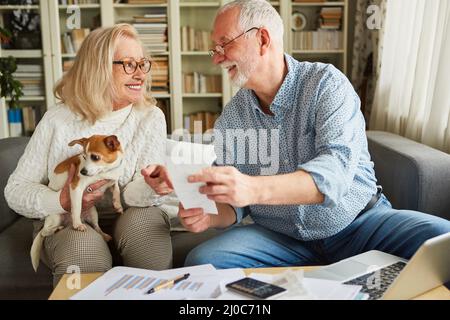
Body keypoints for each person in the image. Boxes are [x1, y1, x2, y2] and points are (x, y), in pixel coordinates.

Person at [146, 0, 450, 269]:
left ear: (262, 39)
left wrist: (252, 188)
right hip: (280, 238)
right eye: (215, 49)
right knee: (203, 261)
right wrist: (209, 215)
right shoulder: (232, 117)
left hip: (359, 224)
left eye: (224, 44)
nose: (216, 58)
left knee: (443, 242)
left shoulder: (326, 85)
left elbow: (333, 174)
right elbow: (237, 205)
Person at [5, 24, 174, 286]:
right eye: (129, 64)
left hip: (128, 212)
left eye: (143, 63)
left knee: (143, 233)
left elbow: (132, 194)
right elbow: (15, 190)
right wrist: (60, 201)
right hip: (68, 216)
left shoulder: (150, 117)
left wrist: (153, 186)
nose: (140, 73)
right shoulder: (58, 119)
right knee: (84, 254)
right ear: (99, 69)